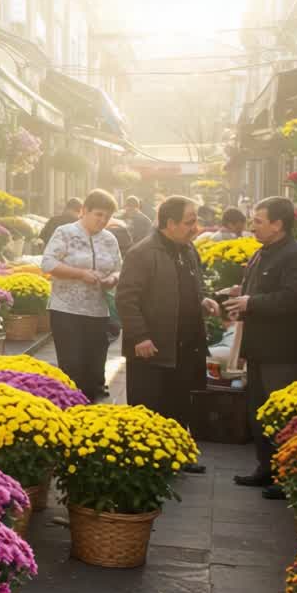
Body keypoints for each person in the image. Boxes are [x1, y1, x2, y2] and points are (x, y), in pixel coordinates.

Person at [117, 196, 221, 473]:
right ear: (170, 223)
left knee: (179, 403)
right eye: (190, 222)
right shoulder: (142, 253)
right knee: (149, 406)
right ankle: (146, 463)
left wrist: (202, 300)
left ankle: (177, 455)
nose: (195, 227)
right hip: (152, 347)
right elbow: (126, 299)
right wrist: (140, 336)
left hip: (185, 345)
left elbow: (189, 286)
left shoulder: (187, 249)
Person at [225, 196, 297, 499]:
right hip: (258, 350)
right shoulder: (261, 252)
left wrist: (251, 302)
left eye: (258, 221)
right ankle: (266, 468)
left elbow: (293, 299)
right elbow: (258, 291)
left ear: (278, 225)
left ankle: (288, 476)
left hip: (283, 352)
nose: (252, 227)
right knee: (259, 413)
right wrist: (240, 296)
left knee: (284, 416)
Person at [40, 189, 122, 401]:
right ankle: (70, 405)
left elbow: (118, 268)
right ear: (84, 210)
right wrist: (80, 274)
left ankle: (91, 408)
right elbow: (48, 263)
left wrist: (112, 279)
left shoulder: (110, 239)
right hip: (66, 310)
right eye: (98, 214)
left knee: (95, 366)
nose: (102, 220)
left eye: (107, 217)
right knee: (72, 365)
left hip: (98, 310)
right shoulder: (65, 232)